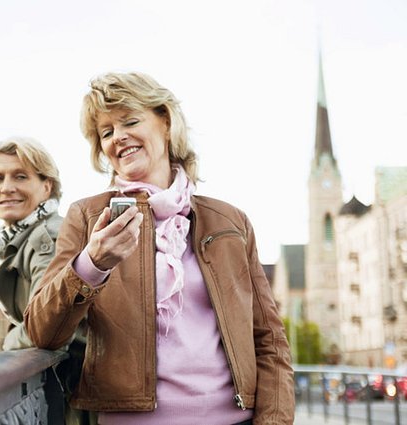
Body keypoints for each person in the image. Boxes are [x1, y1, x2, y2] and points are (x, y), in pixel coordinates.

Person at [24, 72, 295, 424]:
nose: (118, 137)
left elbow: (270, 340)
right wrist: (92, 264)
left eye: (130, 121)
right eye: (106, 132)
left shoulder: (230, 222)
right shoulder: (87, 217)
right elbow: (42, 332)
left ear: (165, 122)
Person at [0, 136, 63, 350]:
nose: (6, 188)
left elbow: (44, 327)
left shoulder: (47, 239)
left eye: (20, 177)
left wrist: (7, 344)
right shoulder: (18, 237)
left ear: (47, 187)